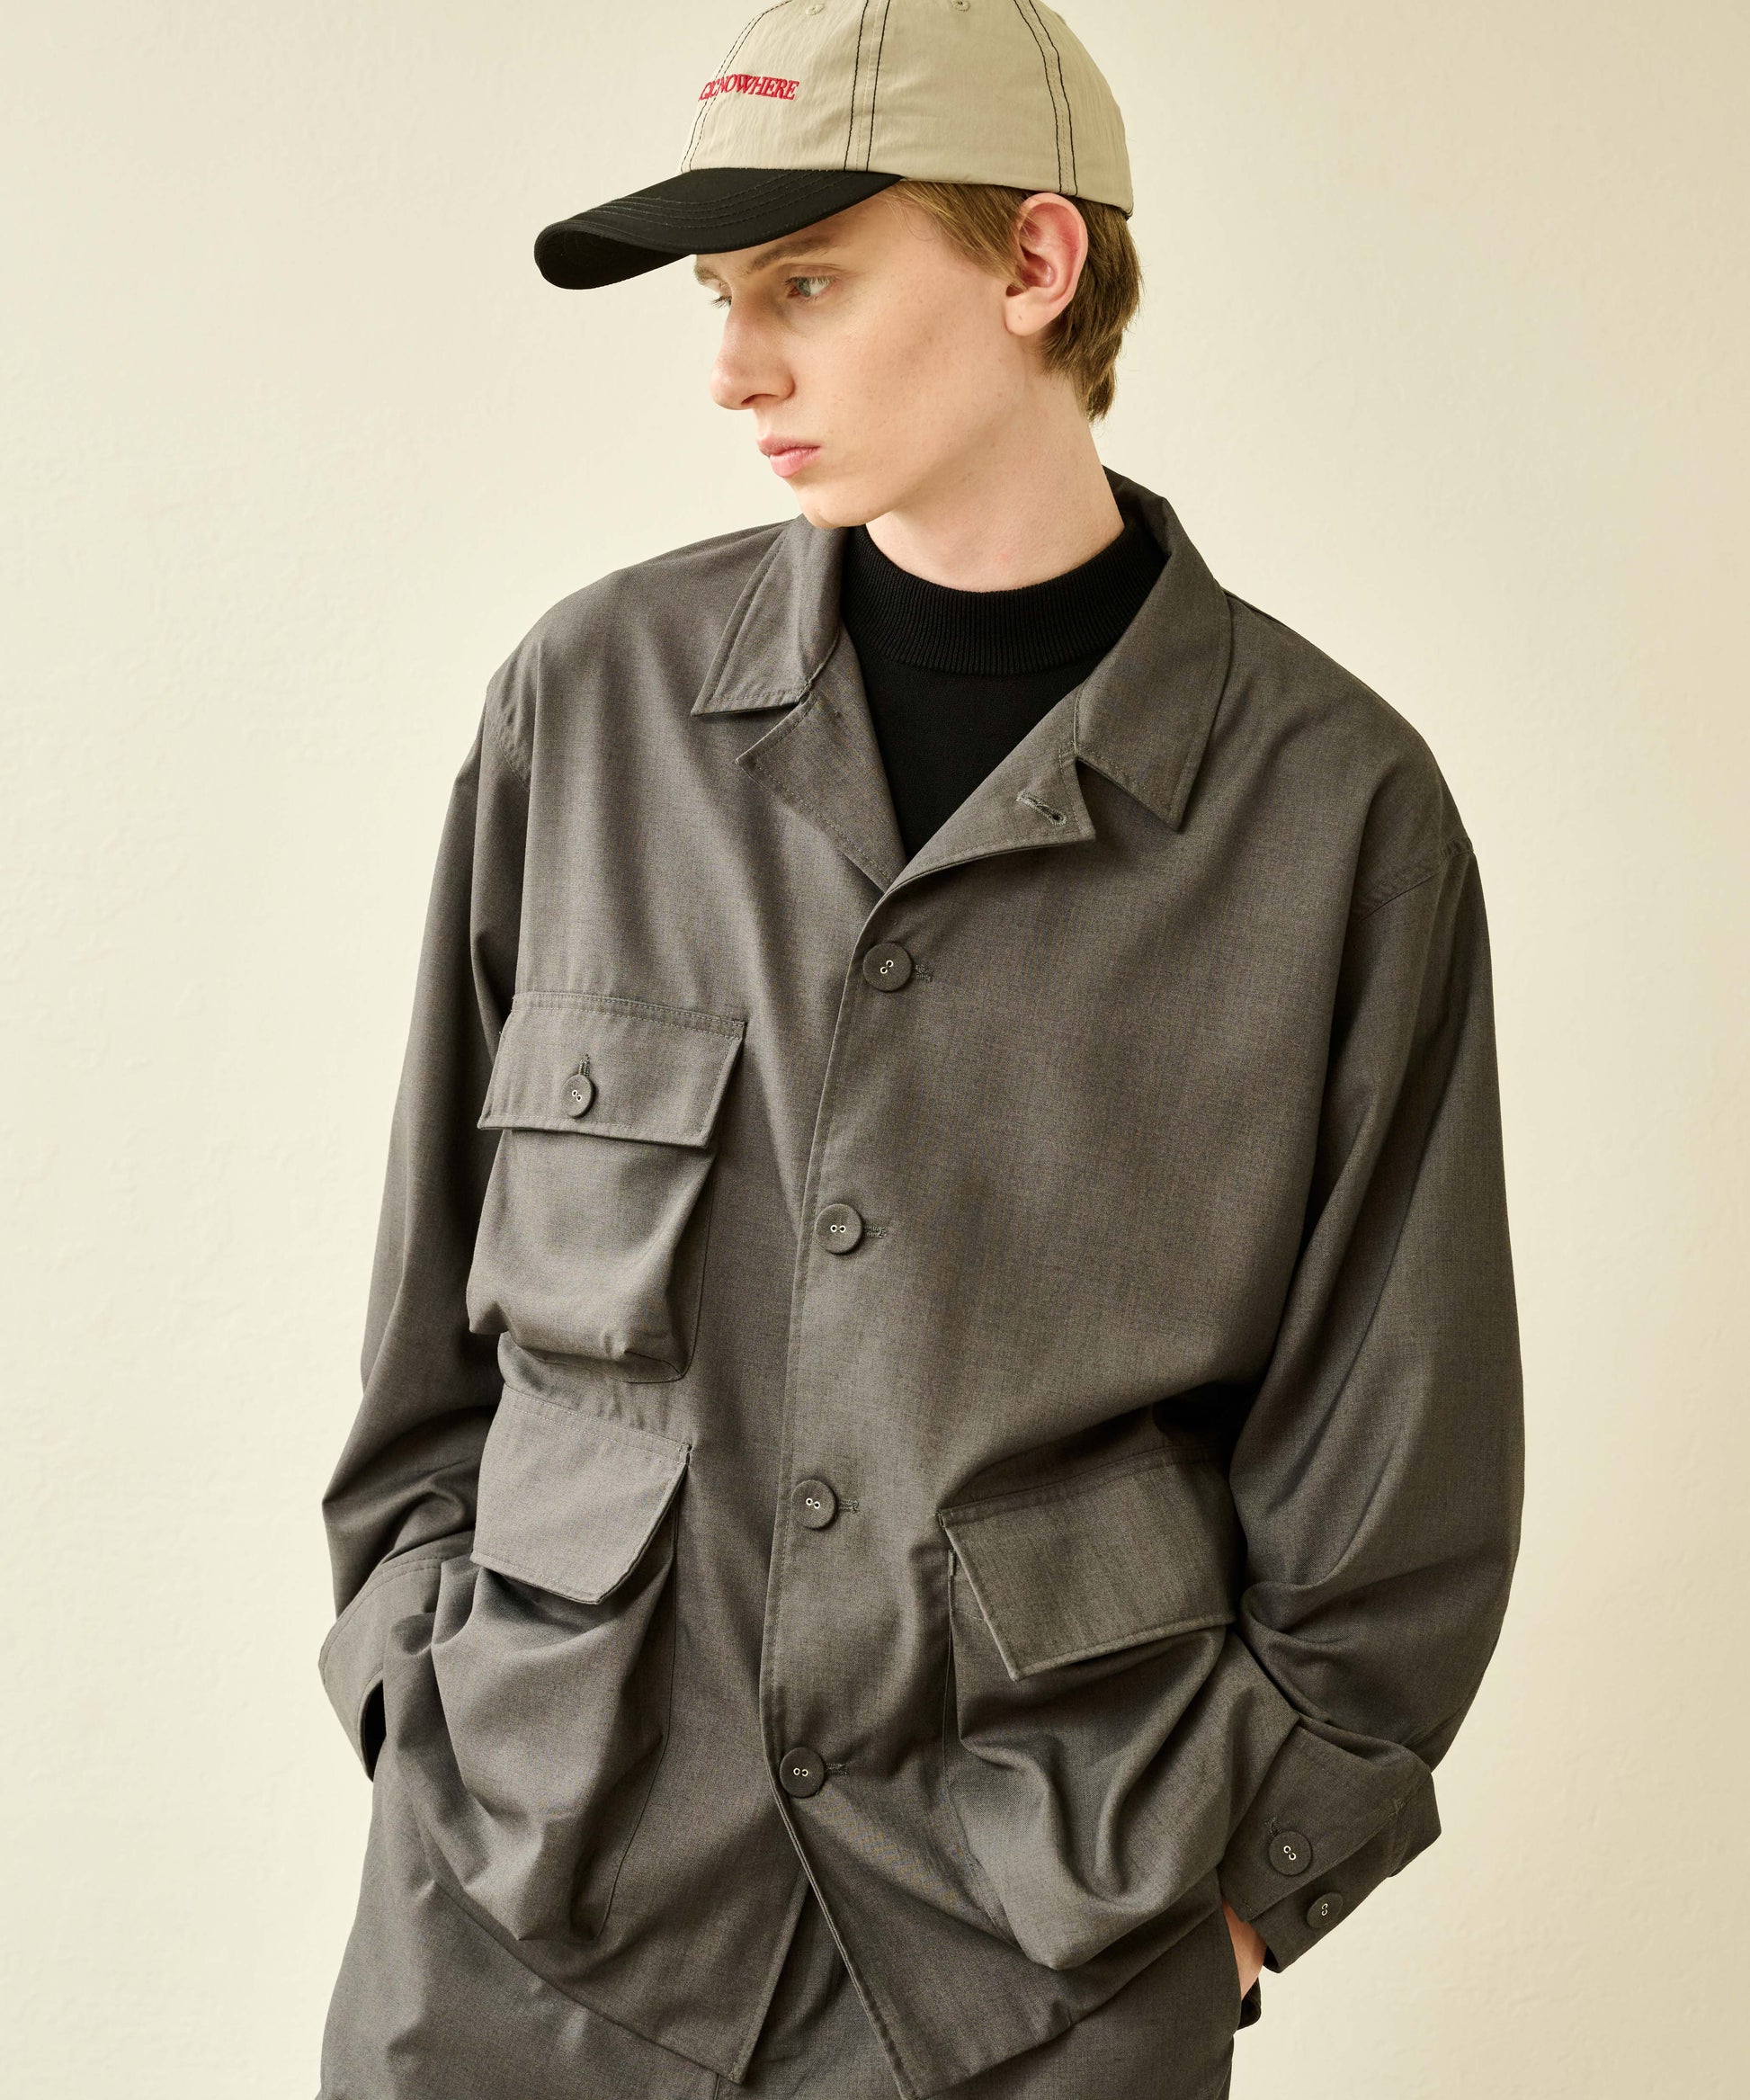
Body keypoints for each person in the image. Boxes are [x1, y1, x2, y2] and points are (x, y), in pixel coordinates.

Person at [313, 6, 1524, 2098]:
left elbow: (1394, 1471)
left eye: (803, 284)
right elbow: (429, 1329)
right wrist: (415, 1694)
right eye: (718, 296)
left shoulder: (1334, 817)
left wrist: (1229, 1904)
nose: (731, 368)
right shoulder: (588, 708)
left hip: (1031, 1981)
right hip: (522, 1931)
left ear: (1035, 263)